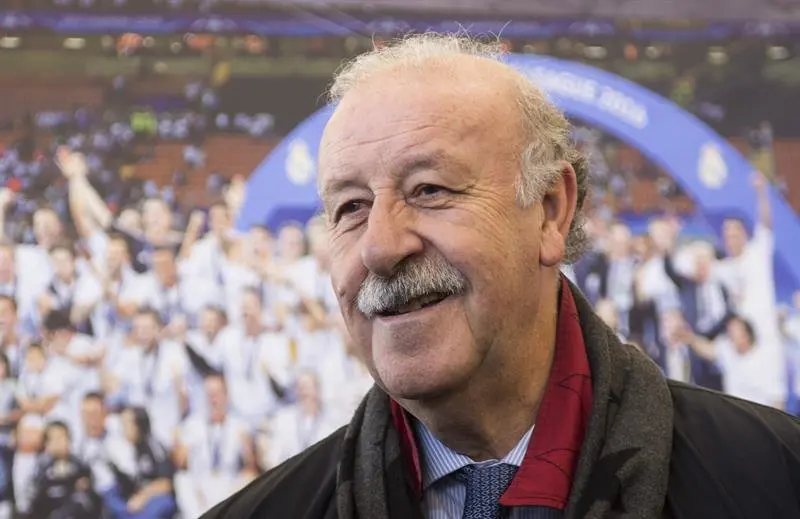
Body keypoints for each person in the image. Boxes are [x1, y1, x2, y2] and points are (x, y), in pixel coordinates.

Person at [203, 34, 800, 519]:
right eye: (351, 207)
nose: (380, 247)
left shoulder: (774, 479)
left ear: (550, 211)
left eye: (429, 190)